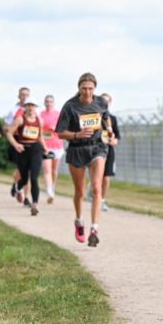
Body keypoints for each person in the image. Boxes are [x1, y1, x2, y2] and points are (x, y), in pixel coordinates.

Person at [56, 74, 110, 245]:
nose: (87, 92)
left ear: (95, 88)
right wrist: (76, 134)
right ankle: (79, 221)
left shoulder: (101, 102)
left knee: (96, 188)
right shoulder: (70, 106)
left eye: (90, 88)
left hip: (97, 147)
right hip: (77, 149)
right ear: (78, 88)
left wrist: (109, 130)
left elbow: (105, 117)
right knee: (79, 191)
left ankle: (94, 228)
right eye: (84, 88)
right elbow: (60, 132)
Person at [6, 98, 45, 216]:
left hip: (36, 150)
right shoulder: (20, 119)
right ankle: (17, 188)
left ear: (35, 107)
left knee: (34, 178)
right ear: (25, 107)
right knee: (24, 178)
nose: (31, 108)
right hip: (23, 150)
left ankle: (34, 205)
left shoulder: (39, 120)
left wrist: (45, 148)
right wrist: (16, 144)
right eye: (28, 105)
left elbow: (40, 136)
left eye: (33, 105)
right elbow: (9, 133)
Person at [40, 94, 64, 204]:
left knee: (54, 171)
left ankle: (52, 187)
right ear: (44, 103)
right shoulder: (40, 115)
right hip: (46, 146)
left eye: (51, 101)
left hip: (57, 145)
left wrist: (56, 128)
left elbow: (64, 129)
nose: (49, 103)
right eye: (47, 101)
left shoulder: (58, 114)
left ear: (53, 103)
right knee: (47, 169)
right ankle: (49, 192)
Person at [6, 87, 30, 198]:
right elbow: (6, 126)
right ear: (18, 96)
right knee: (20, 167)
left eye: (27, 95)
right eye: (22, 94)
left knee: (28, 169)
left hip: (30, 141)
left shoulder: (34, 109)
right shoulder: (13, 110)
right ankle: (16, 184)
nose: (24, 97)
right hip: (17, 140)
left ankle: (26, 197)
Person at [99, 92, 120, 212]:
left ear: (110, 103)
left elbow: (117, 136)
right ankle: (94, 193)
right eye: (103, 100)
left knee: (106, 177)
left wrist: (114, 140)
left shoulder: (113, 119)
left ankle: (102, 200)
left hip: (109, 150)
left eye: (107, 101)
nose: (105, 103)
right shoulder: (95, 117)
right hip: (96, 150)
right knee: (97, 177)